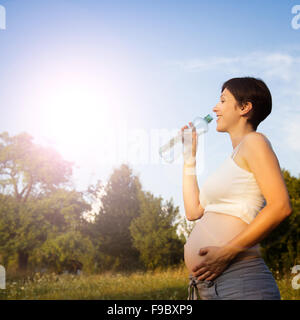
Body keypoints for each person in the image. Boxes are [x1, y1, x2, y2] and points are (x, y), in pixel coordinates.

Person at [181, 77, 292, 300]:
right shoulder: (232, 159)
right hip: (208, 288)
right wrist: (189, 156)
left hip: (240, 282)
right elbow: (193, 211)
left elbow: (280, 206)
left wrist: (226, 252)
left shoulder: (255, 142)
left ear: (244, 107)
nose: (215, 108)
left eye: (222, 100)